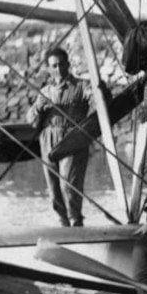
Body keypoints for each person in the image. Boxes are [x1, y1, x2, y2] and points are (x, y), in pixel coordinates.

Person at [25, 47, 96, 227]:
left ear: (68, 64)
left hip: (72, 138)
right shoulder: (46, 91)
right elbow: (31, 120)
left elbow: (95, 99)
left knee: (69, 184)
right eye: (53, 66)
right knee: (54, 188)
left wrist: (97, 93)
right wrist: (38, 108)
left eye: (61, 64)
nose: (58, 69)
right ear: (49, 68)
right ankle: (63, 223)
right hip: (48, 138)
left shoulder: (81, 85)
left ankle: (75, 222)